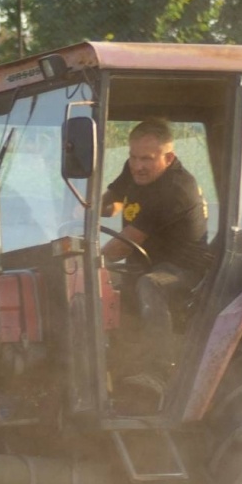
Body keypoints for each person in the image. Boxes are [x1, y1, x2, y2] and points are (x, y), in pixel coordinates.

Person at [99, 120, 212, 387]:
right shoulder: (137, 169)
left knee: (149, 285)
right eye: (133, 157)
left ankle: (159, 371)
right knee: (108, 283)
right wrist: (90, 207)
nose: (138, 165)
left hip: (184, 270)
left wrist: (85, 261)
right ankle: (114, 368)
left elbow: (120, 247)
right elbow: (113, 199)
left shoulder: (174, 188)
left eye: (147, 159)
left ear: (169, 157)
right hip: (146, 263)